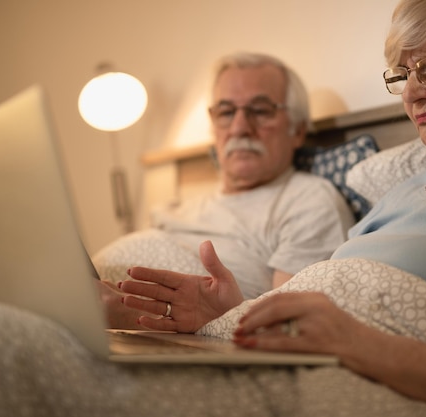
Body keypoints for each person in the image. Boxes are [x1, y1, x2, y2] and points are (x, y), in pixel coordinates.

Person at [117, 0, 426, 415]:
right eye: (404, 75)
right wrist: (233, 313)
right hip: (294, 367)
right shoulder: (400, 194)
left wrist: (365, 347)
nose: (411, 92)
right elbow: (325, 315)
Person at [96, 52, 354, 326]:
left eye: (261, 110)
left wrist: (135, 313)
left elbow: (286, 330)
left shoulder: (309, 200)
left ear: (298, 131)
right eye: (226, 112)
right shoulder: (175, 207)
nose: (240, 127)